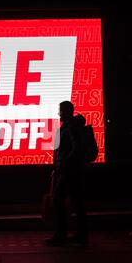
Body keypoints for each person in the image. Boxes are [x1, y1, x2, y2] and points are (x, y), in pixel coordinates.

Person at [45, 101, 89, 246]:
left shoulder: (71, 127)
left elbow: (74, 149)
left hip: (69, 172)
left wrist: (63, 164)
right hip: (70, 171)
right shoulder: (69, 127)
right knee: (77, 203)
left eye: (61, 111)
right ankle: (80, 235)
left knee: (59, 199)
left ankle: (62, 234)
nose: (59, 114)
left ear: (67, 111)